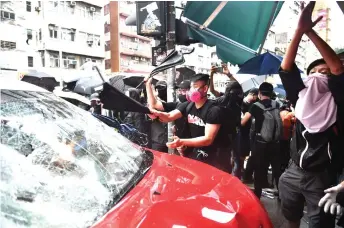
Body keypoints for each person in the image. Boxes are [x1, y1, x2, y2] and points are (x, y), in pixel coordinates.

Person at [277, 2, 344, 228]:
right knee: (290, 215)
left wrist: (310, 31)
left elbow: (338, 70)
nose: (317, 76)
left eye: (323, 73)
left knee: (319, 223)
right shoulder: (300, 100)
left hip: (322, 178)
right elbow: (286, 69)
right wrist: (298, 32)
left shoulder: (338, 103)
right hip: (293, 171)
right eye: (312, 73)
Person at [151, 73, 232, 173]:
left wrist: (182, 141)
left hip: (216, 158)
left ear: (205, 88)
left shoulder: (214, 110)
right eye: (191, 87)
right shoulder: (188, 105)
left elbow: (208, 139)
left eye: (195, 87)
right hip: (198, 154)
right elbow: (169, 117)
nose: (192, 90)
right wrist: (157, 113)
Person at [241, 82, 282, 199]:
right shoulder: (277, 104)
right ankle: (281, 194)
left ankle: (257, 196)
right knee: (276, 169)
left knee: (259, 169)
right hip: (275, 142)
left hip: (260, 142)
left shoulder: (256, 106)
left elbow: (243, 122)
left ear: (259, 93)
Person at [145, 77, 191, 155]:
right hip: (178, 145)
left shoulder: (199, 106)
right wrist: (148, 85)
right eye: (179, 90)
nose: (180, 93)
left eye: (183, 90)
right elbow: (154, 104)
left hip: (194, 146)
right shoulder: (179, 105)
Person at [241, 88, 259, 182]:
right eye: (256, 96)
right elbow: (242, 122)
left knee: (243, 154)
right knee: (238, 155)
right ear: (252, 94)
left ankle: (240, 172)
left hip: (248, 132)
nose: (257, 98)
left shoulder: (252, 105)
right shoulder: (241, 102)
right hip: (240, 131)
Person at [146, 80, 169, 152]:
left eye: (163, 88)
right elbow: (151, 115)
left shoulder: (172, 101)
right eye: (158, 88)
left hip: (170, 139)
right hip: (158, 140)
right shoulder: (153, 103)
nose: (160, 90)